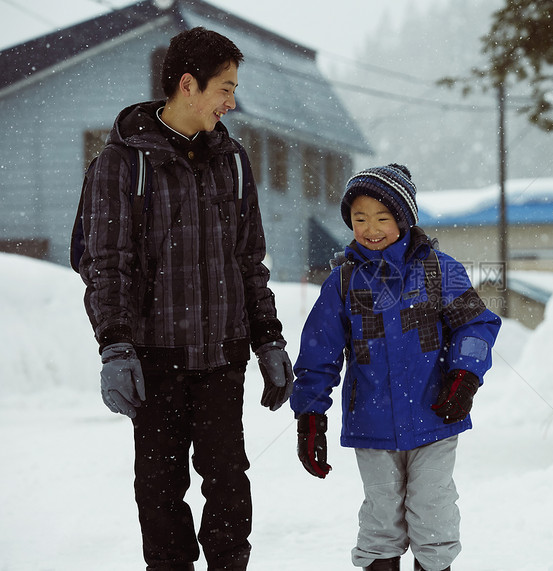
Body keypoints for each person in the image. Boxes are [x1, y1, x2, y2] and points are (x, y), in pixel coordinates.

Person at [78, 27, 293, 570]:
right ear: (189, 85)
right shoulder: (121, 164)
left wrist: (268, 339)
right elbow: (107, 263)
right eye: (225, 88)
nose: (231, 101)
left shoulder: (235, 161)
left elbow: (249, 261)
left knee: (228, 485)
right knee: (159, 493)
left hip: (223, 358)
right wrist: (116, 345)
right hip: (155, 360)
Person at [290, 164, 501, 571]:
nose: (370, 228)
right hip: (372, 422)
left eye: (383, 218)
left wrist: (465, 377)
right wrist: (310, 415)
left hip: (435, 415)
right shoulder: (343, 281)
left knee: (433, 508)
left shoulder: (440, 270)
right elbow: (319, 353)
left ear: (404, 219)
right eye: (359, 218)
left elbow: (476, 325)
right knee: (382, 512)